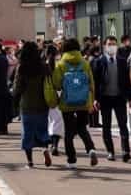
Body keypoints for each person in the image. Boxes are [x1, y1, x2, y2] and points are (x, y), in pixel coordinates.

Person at [52, 38, 99, 169]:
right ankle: (91, 149)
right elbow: (91, 83)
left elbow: (56, 83)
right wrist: (91, 100)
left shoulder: (61, 64)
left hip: (67, 102)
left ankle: (72, 160)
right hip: (83, 101)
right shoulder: (84, 63)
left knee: (68, 131)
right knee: (82, 128)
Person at [92, 36, 131, 162]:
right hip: (105, 98)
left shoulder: (122, 61)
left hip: (119, 98)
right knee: (106, 126)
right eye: (109, 44)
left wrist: (130, 98)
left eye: (114, 44)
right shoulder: (98, 61)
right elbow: (95, 82)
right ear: (104, 46)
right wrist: (95, 99)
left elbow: (127, 81)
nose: (112, 46)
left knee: (123, 125)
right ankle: (110, 151)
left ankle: (126, 151)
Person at [12, 42, 53, 168]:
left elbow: (17, 88)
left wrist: (14, 95)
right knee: (42, 129)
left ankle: (30, 161)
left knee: (27, 133)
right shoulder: (43, 66)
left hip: (27, 105)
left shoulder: (22, 67)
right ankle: (45, 149)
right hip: (42, 104)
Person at [43, 44, 64, 156]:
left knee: (47, 122)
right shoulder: (58, 66)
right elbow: (60, 83)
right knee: (57, 122)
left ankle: (47, 145)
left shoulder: (42, 66)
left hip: (44, 98)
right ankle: (54, 145)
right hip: (57, 97)